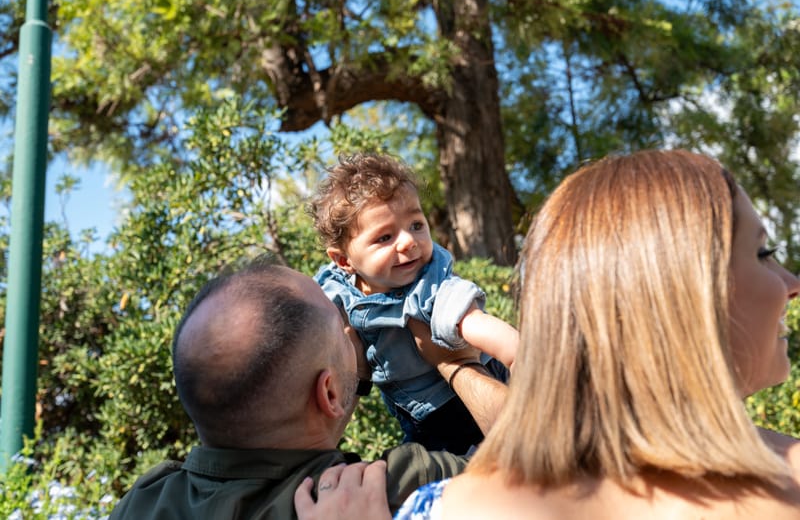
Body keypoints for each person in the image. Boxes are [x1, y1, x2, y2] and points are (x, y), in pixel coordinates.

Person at [301, 149, 800, 519]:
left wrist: (462, 362)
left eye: (417, 225)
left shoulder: (453, 506)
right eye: (761, 253)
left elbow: (493, 339)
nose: (792, 284)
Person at [108, 259, 507, 519]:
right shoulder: (386, 488)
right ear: (329, 394)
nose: (352, 325)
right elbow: (545, 453)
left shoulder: (143, 501)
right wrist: (454, 365)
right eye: (340, 319)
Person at [310, 153, 518, 454]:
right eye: (385, 236)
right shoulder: (336, 289)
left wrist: (527, 364)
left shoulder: (430, 286)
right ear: (344, 261)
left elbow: (491, 333)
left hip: (463, 402)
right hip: (417, 417)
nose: (408, 241)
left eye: (416, 225)